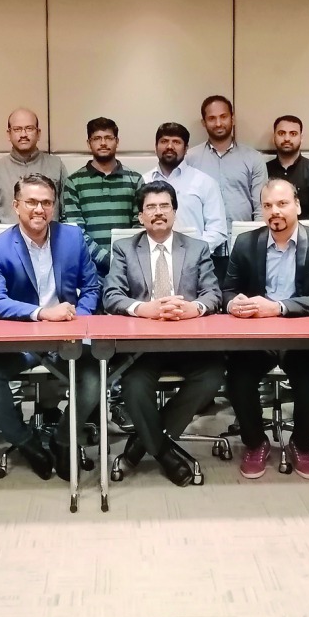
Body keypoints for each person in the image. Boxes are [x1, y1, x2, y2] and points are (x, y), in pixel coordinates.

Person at [0, 174, 101, 481]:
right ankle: (26, 442)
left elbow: (93, 287)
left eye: (46, 202)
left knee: (95, 377)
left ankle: (62, 439)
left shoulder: (72, 238)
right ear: (16, 206)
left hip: (68, 336)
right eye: (31, 202)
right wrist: (42, 314)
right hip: (25, 339)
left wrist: (76, 318)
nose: (39, 209)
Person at [102, 181, 223, 487]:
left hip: (188, 343)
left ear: (174, 211)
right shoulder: (125, 249)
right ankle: (165, 454)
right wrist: (146, 309)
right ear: (140, 216)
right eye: (151, 207)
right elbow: (111, 296)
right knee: (133, 385)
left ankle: (140, 446)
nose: (158, 213)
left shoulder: (197, 248)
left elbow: (213, 294)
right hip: (143, 346)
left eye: (164, 206)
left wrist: (193, 308)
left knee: (211, 376)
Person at [224, 179, 309, 480]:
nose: (275, 211)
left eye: (283, 204)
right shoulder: (246, 244)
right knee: (237, 378)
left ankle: (301, 444)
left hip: (299, 335)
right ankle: (255, 442)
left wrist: (278, 307)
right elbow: (227, 290)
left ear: (297, 206)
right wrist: (232, 303)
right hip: (256, 336)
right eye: (268, 206)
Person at [186, 95, 268, 271]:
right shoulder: (189, 159)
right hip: (201, 249)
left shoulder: (253, 158)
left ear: (233, 118)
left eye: (223, 116)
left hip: (242, 247)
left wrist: (259, 246)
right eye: (212, 118)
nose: (218, 123)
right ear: (203, 122)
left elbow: (261, 208)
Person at [0, 108, 69, 255]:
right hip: (7, 253)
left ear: (38, 133)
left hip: (50, 251)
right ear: (9, 134)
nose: (23, 134)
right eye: (17, 129)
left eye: (29, 129)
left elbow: (66, 215)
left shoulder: (56, 165)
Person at [63, 117, 142, 275]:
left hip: (130, 268)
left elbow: (140, 225)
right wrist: (107, 259)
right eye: (97, 138)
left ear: (117, 141)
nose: (103, 143)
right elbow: (75, 231)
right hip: (89, 269)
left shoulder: (135, 180)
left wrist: (123, 260)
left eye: (108, 138)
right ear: (89, 143)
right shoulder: (74, 182)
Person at [143, 122, 228, 251]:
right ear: (155, 147)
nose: (169, 146)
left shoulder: (205, 182)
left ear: (186, 148)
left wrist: (193, 252)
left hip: (194, 263)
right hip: (152, 259)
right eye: (164, 141)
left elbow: (217, 230)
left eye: (176, 142)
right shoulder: (143, 181)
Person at [266, 115, 309, 232]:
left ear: (301, 138)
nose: (287, 138)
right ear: (274, 137)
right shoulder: (263, 171)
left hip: (308, 240)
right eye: (281, 133)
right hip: (271, 237)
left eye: (293, 134)